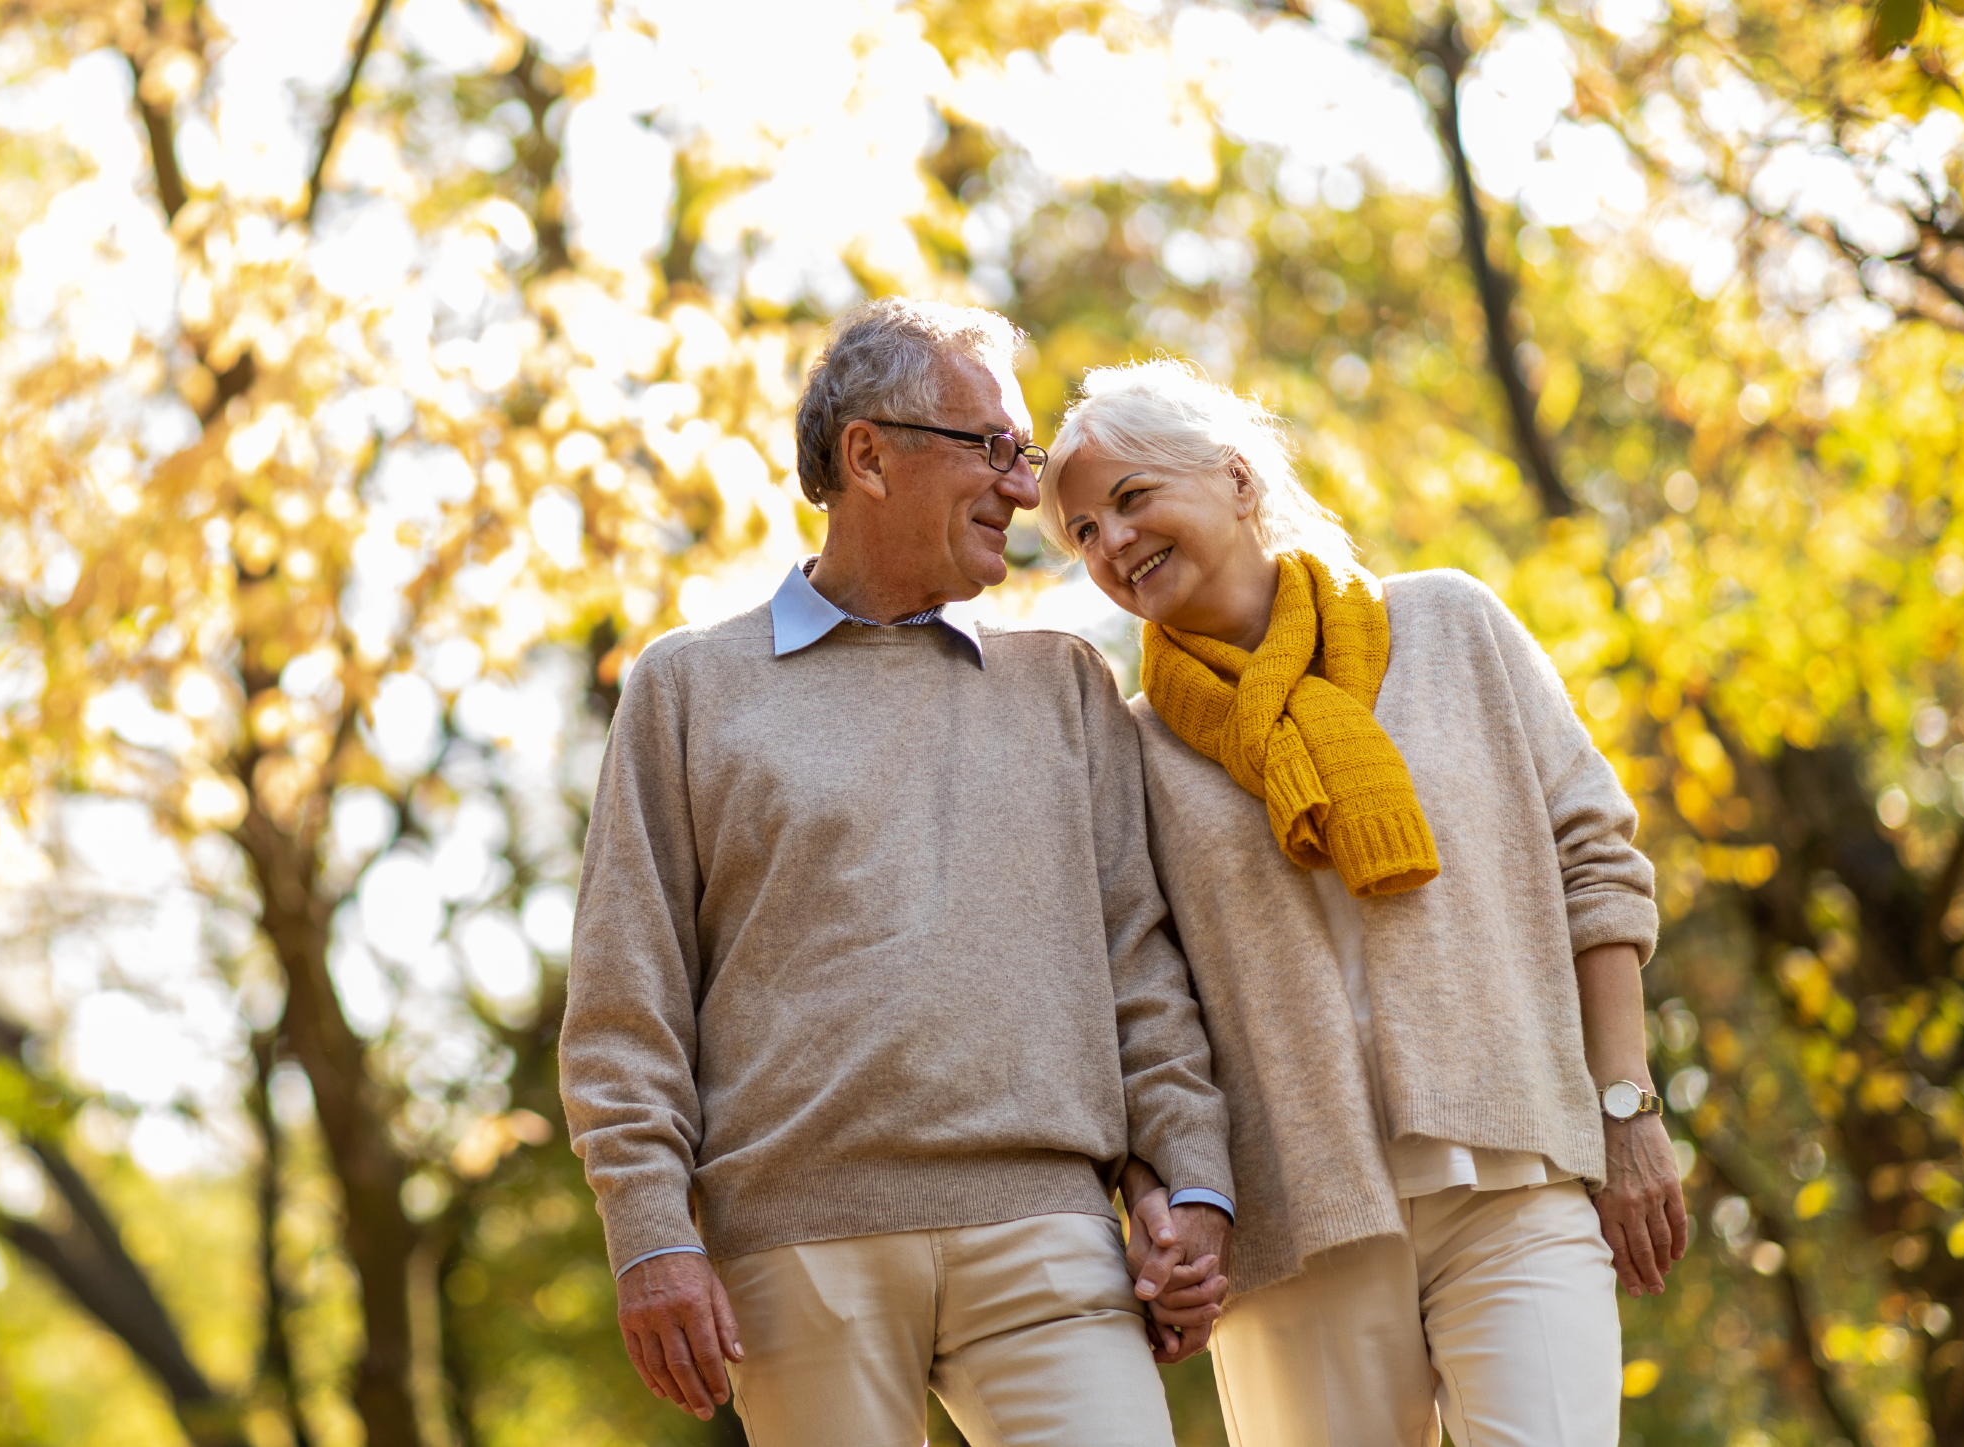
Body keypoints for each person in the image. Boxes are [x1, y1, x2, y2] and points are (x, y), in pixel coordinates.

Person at [559, 299, 1234, 1447]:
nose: (1026, 491)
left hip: (1049, 1231)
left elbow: (1139, 959)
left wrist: (1190, 1180)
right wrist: (651, 1231)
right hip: (794, 1255)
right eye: (995, 449)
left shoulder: (1063, 687)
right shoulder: (686, 690)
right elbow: (626, 1003)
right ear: (868, 455)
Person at [1040, 357, 1687, 1445]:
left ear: (1238, 480)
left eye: (1130, 498)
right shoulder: (1129, 746)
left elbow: (1595, 861)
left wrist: (1625, 1109)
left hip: (1514, 1181)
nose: (1109, 543)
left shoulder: (1451, 628)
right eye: (1080, 533)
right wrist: (1161, 1191)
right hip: (1298, 1226)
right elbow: (1135, 996)